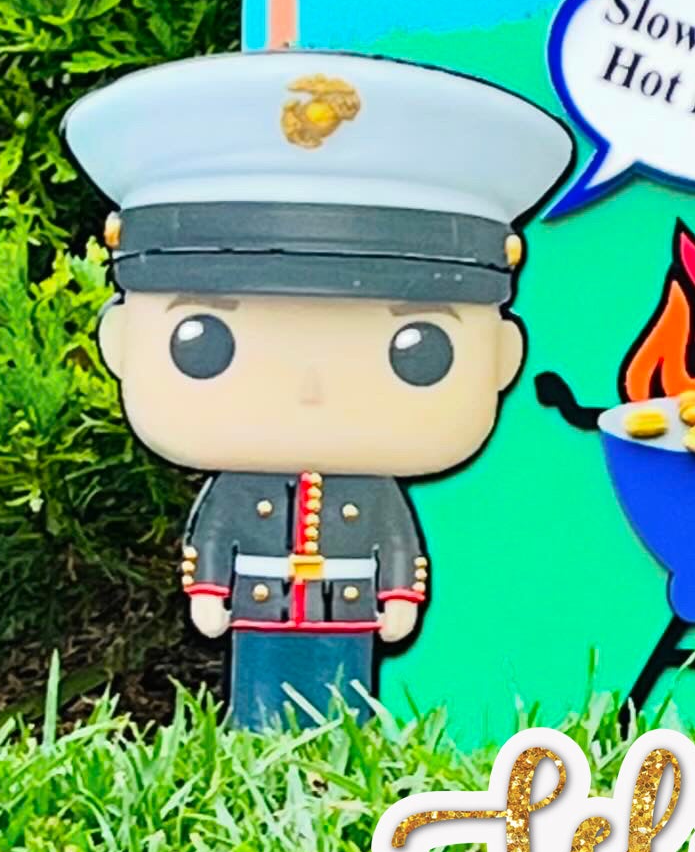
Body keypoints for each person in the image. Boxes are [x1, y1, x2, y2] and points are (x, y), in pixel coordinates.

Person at [65, 52, 572, 728]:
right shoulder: (237, 489)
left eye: (418, 351)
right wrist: (210, 589)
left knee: (343, 699)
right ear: (121, 343)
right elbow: (218, 533)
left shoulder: (375, 493)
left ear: (502, 359)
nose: (309, 388)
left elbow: (394, 542)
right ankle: (255, 732)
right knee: (260, 695)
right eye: (205, 342)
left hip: (348, 608)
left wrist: (398, 596)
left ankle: (342, 739)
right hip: (262, 604)